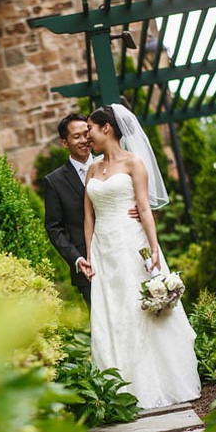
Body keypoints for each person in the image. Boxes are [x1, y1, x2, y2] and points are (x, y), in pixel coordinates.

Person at [81, 104, 200, 409]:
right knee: (112, 312)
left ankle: (156, 382)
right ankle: (119, 385)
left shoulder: (134, 163)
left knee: (138, 308)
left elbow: (144, 207)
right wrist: (89, 255)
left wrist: (155, 248)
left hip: (131, 243)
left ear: (107, 128)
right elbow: (87, 217)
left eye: (90, 128)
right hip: (103, 248)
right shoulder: (92, 168)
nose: (87, 135)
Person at [44, 114, 137, 309]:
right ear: (64, 142)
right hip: (89, 267)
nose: (85, 140)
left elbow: (136, 194)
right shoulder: (54, 181)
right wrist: (77, 259)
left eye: (87, 133)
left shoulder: (116, 164)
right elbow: (54, 228)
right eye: (77, 137)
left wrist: (135, 206)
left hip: (122, 251)